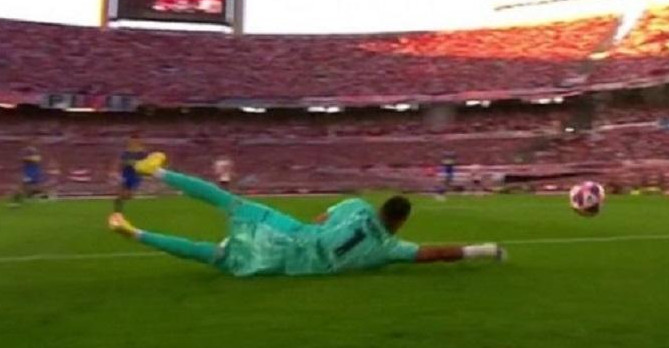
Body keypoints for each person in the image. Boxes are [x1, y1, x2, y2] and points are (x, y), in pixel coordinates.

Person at [108, 152, 506, 276]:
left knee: (226, 201)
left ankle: (156, 170)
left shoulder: (356, 206)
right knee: (207, 254)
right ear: (400, 222)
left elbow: (319, 219)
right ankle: (133, 231)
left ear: (383, 207)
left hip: (291, 232)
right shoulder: (390, 249)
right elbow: (435, 254)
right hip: (281, 263)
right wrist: (484, 249)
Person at [113, 135, 147, 213]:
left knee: (129, 195)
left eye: (136, 141)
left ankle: (119, 202)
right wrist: (127, 163)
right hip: (126, 174)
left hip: (136, 175)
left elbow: (145, 163)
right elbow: (122, 162)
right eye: (132, 141)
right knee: (123, 191)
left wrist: (137, 164)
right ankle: (118, 209)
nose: (133, 143)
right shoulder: (126, 153)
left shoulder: (142, 153)